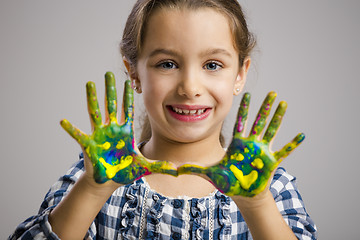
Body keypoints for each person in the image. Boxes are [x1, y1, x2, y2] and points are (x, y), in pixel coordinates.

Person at [9, 0, 317, 239]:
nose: (190, 87)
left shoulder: (271, 188)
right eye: (167, 64)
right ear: (133, 72)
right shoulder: (92, 177)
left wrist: (257, 205)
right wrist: (91, 190)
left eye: (212, 64)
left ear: (240, 74)